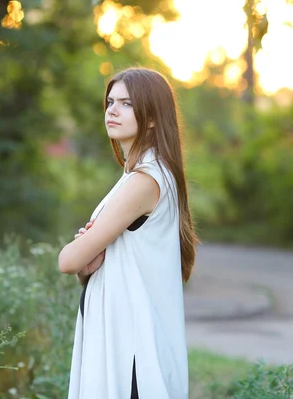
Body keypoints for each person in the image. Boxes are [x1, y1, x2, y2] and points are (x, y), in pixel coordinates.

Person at [58, 67, 198, 399]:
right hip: (121, 335)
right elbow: (93, 263)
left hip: (133, 351)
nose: (113, 111)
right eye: (110, 102)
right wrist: (87, 268)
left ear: (151, 118)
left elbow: (67, 259)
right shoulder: (139, 174)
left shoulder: (143, 181)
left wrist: (80, 255)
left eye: (127, 104)